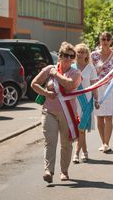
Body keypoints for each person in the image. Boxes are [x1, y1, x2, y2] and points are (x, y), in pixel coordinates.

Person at [31, 42, 81, 183]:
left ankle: (64, 171)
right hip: (49, 111)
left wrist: (56, 75)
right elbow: (34, 84)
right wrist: (45, 92)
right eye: (65, 55)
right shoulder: (49, 69)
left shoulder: (76, 73)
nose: (68, 58)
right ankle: (49, 171)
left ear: (73, 59)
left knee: (66, 143)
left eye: (71, 56)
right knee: (50, 141)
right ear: (59, 56)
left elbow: (70, 85)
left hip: (67, 114)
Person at [91, 31, 113, 153]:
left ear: (111, 41)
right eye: (103, 39)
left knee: (108, 116)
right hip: (98, 87)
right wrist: (97, 69)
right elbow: (91, 72)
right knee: (99, 117)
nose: (105, 41)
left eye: (108, 39)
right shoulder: (93, 55)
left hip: (110, 88)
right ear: (100, 40)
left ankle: (106, 143)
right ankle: (103, 142)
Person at [72, 43, 98, 163]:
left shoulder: (91, 68)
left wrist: (97, 99)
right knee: (78, 128)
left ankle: (77, 153)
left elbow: (94, 85)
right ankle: (84, 151)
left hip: (87, 101)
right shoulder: (71, 67)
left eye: (83, 52)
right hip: (74, 101)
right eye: (79, 51)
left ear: (87, 54)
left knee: (81, 128)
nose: (81, 54)